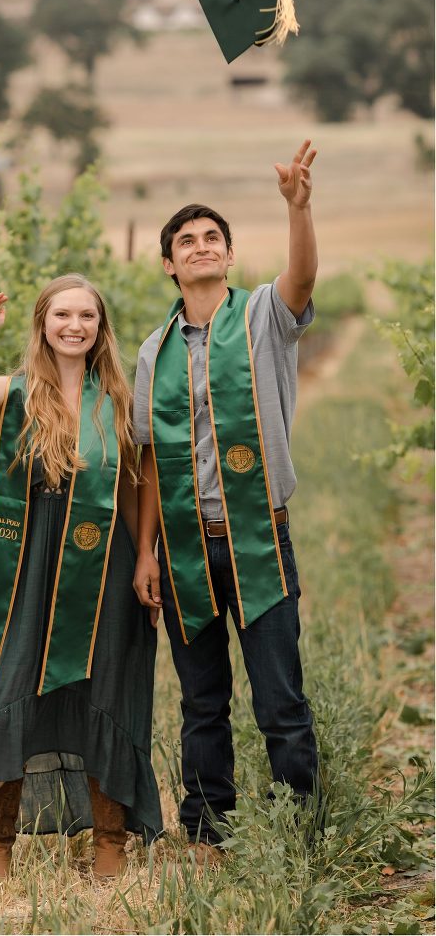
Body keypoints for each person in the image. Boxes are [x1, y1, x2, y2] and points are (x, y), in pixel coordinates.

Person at [0, 274, 162, 882]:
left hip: (104, 563)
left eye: (86, 316)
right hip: (29, 569)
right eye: (62, 315)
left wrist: (145, 557)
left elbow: (137, 486)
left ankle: (110, 845)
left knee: (104, 689)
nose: (75, 326)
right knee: (11, 691)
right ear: (43, 323)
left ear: (100, 327)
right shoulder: (18, 392)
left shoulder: (120, 401)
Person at [132, 140, 320, 849]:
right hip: (184, 543)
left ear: (230, 255)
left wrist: (298, 207)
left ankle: (298, 828)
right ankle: (207, 828)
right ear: (169, 264)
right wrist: (145, 551)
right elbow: (147, 457)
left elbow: (302, 275)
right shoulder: (155, 350)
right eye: (188, 240)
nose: (202, 247)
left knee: (280, 697)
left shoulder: (265, 315)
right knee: (201, 702)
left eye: (213, 237)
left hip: (257, 535)